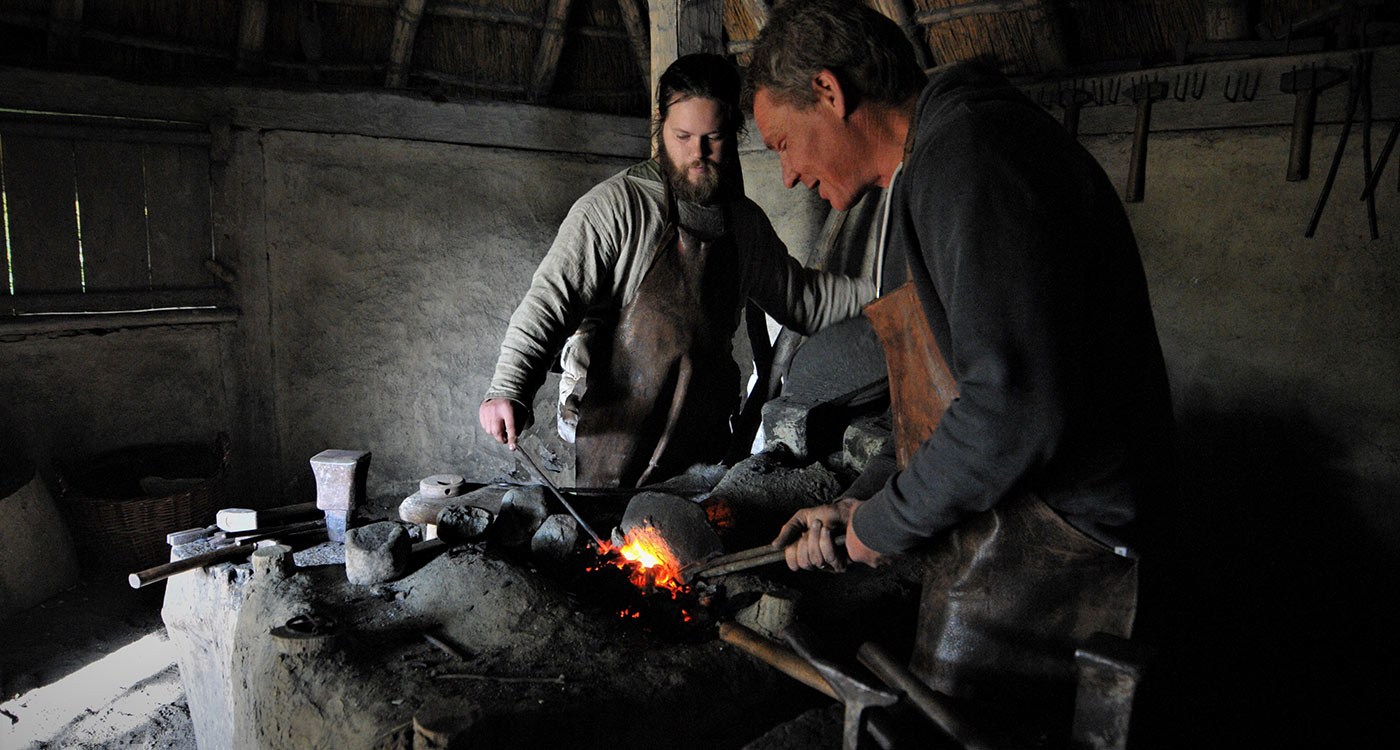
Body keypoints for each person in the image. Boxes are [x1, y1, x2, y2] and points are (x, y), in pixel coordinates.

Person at [748, 0, 1176, 738]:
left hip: (1064, 542)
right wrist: (864, 500)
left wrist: (885, 525)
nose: (786, 176)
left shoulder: (969, 154)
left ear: (829, 91)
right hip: (1020, 528)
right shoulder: (936, 163)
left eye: (783, 143)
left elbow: (1013, 405)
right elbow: (943, 396)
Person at [479, 53, 874, 488]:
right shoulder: (617, 208)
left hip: (702, 449)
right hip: (612, 439)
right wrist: (508, 388)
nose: (697, 154)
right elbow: (549, 302)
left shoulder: (744, 224)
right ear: (660, 127)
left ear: (735, 132)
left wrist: (880, 292)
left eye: (714, 138)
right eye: (682, 136)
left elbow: (802, 300)